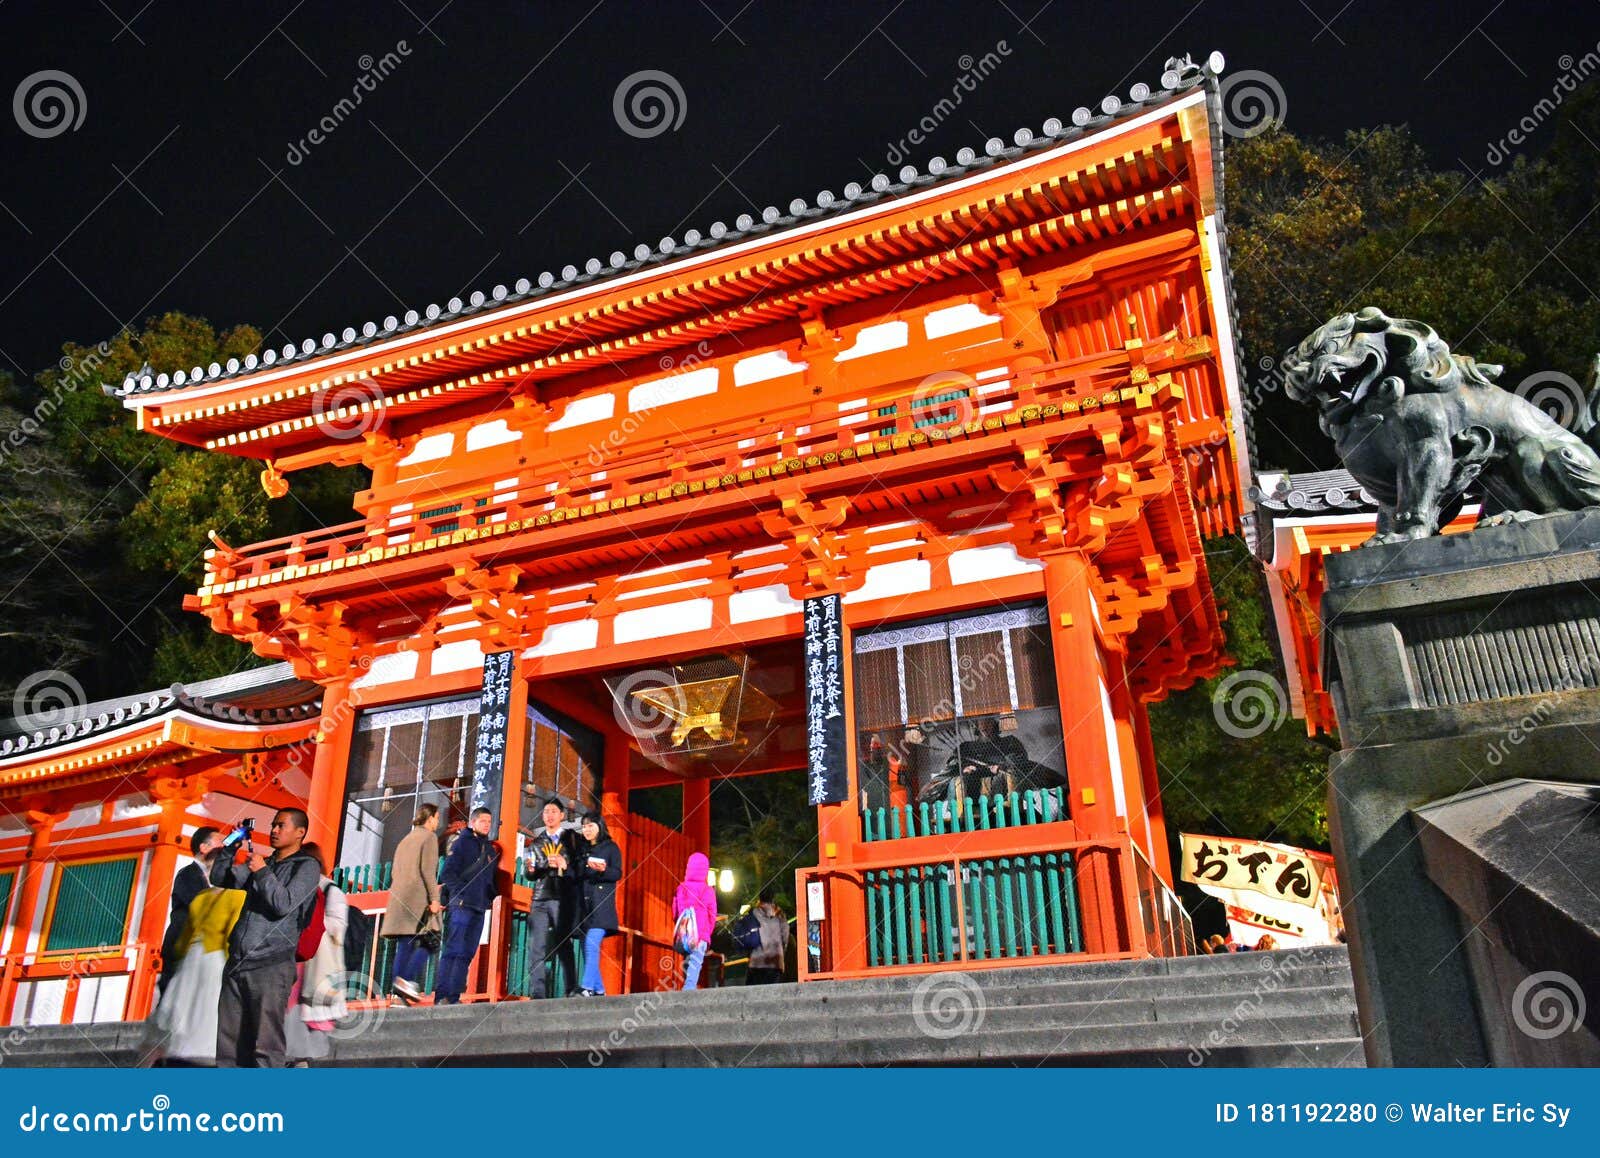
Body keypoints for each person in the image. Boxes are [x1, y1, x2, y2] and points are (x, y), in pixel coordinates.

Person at [210, 807, 322, 1068]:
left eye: (281, 826)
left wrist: (261, 872)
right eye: (273, 825)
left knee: (265, 1044)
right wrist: (229, 847)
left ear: (300, 832)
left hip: (271, 963)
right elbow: (221, 879)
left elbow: (283, 904)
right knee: (229, 1043)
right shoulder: (266, 863)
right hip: (238, 961)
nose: (274, 830)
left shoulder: (307, 867)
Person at [144, 875, 246, 1065]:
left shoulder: (202, 896)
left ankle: (180, 1048)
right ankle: (206, 1050)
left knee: (184, 1006)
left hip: (192, 955)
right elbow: (233, 934)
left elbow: (184, 937)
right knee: (209, 1006)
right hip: (216, 957)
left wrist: (182, 957)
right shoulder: (238, 896)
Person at [285, 843, 348, 1065]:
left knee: (307, 1015)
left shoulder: (331, 890)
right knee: (289, 1012)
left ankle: (301, 1060)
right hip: (293, 959)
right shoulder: (294, 889)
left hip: (315, 962)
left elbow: (338, 926)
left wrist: (310, 923)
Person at [435, 806, 498, 1005]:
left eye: (489, 821)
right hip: (461, 905)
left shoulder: (489, 849)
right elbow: (447, 873)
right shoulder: (462, 842)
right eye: (482, 821)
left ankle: (453, 996)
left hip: (479, 907)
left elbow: (489, 880)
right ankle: (441, 995)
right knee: (454, 949)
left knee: (467, 952)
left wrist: (489, 898)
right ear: (473, 822)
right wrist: (460, 894)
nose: (486, 825)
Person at [381, 804, 443, 1004]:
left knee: (404, 944)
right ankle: (406, 979)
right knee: (431, 941)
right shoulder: (429, 838)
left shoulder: (405, 840)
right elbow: (428, 870)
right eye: (437, 817)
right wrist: (434, 898)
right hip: (418, 897)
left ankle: (398, 994)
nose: (438, 822)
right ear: (431, 818)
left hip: (399, 896)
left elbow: (394, 872)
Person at [523, 798, 580, 998]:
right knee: (537, 946)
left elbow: (578, 868)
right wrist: (535, 867)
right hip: (540, 897)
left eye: (554, 811)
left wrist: (566, 866)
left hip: (561, 897)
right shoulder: (537, 842)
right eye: (546, 811)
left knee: (563, 943)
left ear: (562, 815)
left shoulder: (571, 839)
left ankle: (571, 988)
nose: (549, 815)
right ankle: (538, 992)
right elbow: (528, 873)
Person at [157, 827, 222, 1000]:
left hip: (200, 947)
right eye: (219, 843)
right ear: (204, 847)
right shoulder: (188, 873)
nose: (223, 848)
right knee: (171, 995)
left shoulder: (216, 877)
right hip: (181, 942)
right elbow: (198, 903)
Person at [574, 814, 621, 996]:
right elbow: (576, 871)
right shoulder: (582, 849)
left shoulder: (611, 847)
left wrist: (603, 870)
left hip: (602, 905)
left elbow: (617, 873)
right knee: (587, 948)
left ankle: (586, 987)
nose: (587, 830)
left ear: (600, 826)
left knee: (591, 944)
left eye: (590, 825)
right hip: (583, 905)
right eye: (584, 826)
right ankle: (599, 989)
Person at [672, 851, 718, 991]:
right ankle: (689, 988)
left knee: (687, 961)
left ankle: (688, 985)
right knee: (695, 963)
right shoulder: (708, 890)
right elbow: (712, 914)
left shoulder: (681, 888)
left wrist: (680, 926)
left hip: (686, 933)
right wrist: (707, 932)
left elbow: (675, 910)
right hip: (701, 934)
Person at [745, 888, 789, 985]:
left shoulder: (753, 914)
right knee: (772, 992)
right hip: (775, 961)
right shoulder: (780, 914)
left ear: (759, 899)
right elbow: (785, 936)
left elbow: (747, 937)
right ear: (773, 899)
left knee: (754, 992)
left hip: (757, 961)